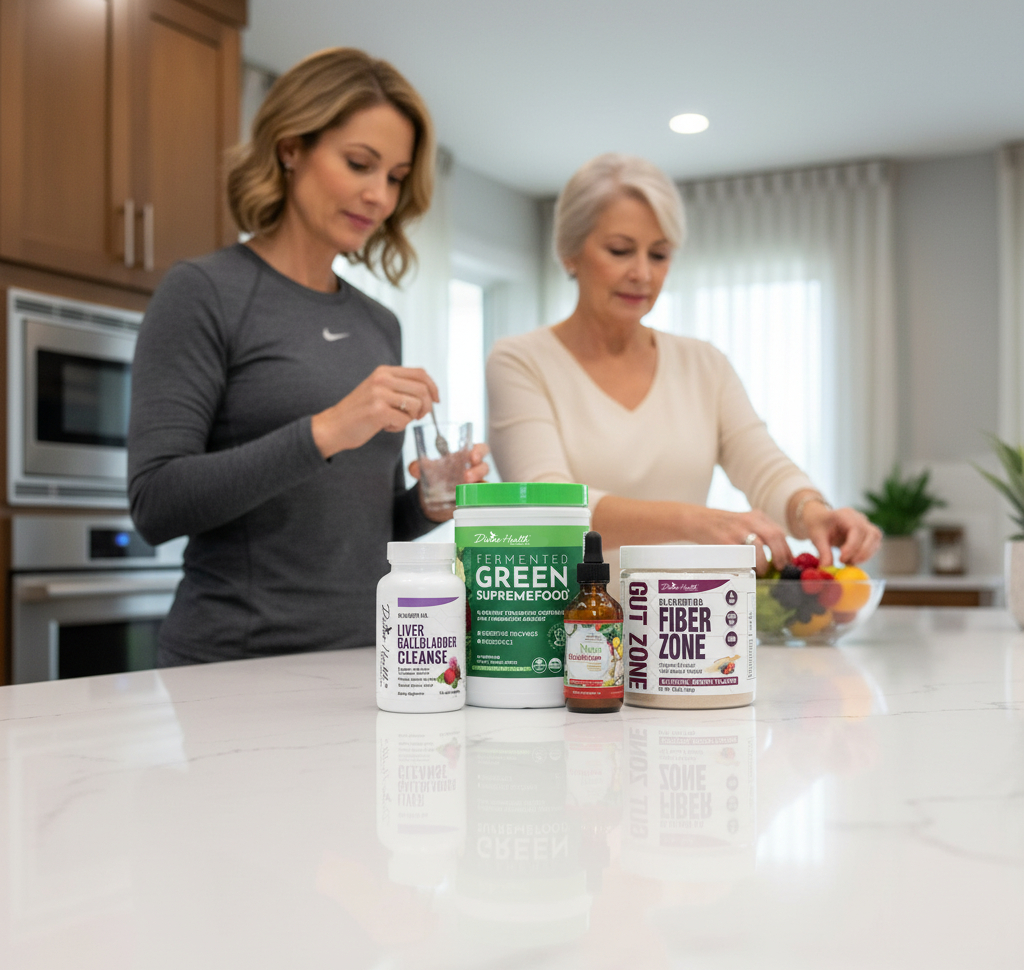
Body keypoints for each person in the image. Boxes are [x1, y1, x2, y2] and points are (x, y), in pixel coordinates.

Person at [128, 48, 487, 666]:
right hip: (235, 669)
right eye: (359, 164)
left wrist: (429, 502)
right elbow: (157, 503)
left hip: (368, 663)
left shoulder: (379, 323)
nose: (378, 195)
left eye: (396, 177)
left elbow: (361, 529)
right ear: (291, 147)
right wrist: (328, 429)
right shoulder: (204, 291)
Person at [486, 153, 880, 577]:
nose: (643, 274)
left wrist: (813, 511)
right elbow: (551, 505)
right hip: (577, 629)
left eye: (659, 255)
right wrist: (694, 521)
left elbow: (763, 466)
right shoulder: (520, 361)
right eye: (620, 250)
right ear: (569, 252)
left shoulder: (704, 364)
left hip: (684, 626)